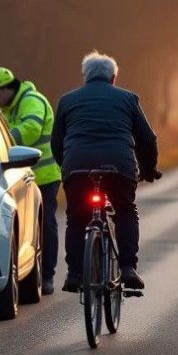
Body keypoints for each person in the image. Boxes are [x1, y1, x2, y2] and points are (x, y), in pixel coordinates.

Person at [51, 50, 160, 293]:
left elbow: (56, 142)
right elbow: (147, 138)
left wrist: (68, 168)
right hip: (118, 166)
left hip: (78, 166)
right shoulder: (128, 98)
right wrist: (149, 168)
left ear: (85, 77)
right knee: (125, 211)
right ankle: (128, 268)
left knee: (77, 218)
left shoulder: (67, 101)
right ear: (113, 78)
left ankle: (75, 274)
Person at [0, 67, 62, 295]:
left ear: (8, 88)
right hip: (17, 177)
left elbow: (31, 129)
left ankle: (46, 276)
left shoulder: (31, 101)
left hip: (44, 175)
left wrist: (2, 140)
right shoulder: (6, 108)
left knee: (45, 224)